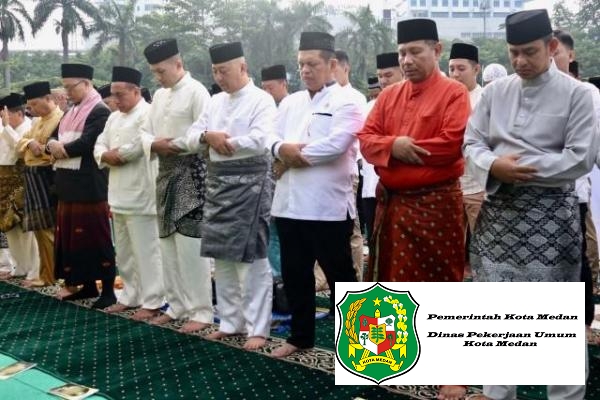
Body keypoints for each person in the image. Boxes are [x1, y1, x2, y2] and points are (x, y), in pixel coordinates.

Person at [463, 9, 598, 400]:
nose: (520, 61)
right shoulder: (494, 92)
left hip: (551, 221)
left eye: (530, 52)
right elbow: (472, 143)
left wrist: (519, 168)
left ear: (552, 47)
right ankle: (497, 392)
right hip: (499, 218)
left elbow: (580, 157)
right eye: (513, 53)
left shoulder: (578, 94)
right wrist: (493, 165)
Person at [173, 42, 275, 350]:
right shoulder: (214, 101)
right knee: (223, 259)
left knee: (252, 259)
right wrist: (207, 137)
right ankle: (231, 322)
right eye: (215, 71)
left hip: (251, 186)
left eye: (224, 70)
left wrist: (225, 142)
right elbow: (190, 137)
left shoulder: (262, 100)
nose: (219, 76)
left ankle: (259, 328)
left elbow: (261, 138)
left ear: (242, 68)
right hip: (219, 184)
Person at [269, 32, 363, 358]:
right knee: (295, 275)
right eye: (301, 64)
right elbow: (270, 137)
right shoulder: (291, 101)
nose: (305, 70)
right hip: (289, 205)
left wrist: (288, 157)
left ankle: (360, 344)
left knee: (341, 279)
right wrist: (281, 149)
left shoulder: (349, 99)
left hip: (327, 207)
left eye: (313, 64)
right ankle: (300, 336)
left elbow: (337, 145)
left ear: (332, 64)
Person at [358, 19, 471, 283]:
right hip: (393, 208)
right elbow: (365, 140)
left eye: (415, 51)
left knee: (436, 281)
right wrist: (393, 146)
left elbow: (450, 145)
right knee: (390, 285)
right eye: (402, 53)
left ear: (437, 50)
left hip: (436, 208)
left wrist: (388, 152)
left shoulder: (454, 93)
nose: (406, 60)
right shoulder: (388, 96)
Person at [140, 38, 213, 332]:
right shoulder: (158, 96)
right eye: (154, 72)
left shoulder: (197, 92)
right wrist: (154, 144)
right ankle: (177, 304)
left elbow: (203, 132)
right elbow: (145, 132)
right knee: (167, 243)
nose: (158, 77)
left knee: (189, 246)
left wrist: (174, 144)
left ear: (178, 64)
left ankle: (202, 311)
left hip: (190, 173)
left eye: (161, 71)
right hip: (164, 173)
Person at [93, 66, 164, 320]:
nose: (115, 100)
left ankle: (153, 300)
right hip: (118, 194)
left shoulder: (148, 113)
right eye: (112, 95)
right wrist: (104, 154)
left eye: (120, 95)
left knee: (147, 250)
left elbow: (140, 144)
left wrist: (118, 154)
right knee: (123, 251)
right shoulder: (113, 117)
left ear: (136, 91)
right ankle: (130, 296)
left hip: (142, 193)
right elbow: (99, 142)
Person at [46, 63, 116, 309]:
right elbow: (51, 138)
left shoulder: (99, 110)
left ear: (86, 84)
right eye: (64, 87)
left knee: (97, 237)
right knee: (74, 240)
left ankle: (107, 290)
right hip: (67, 184)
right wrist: (54, 146)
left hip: (89, 186)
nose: (67, 93)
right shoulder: (70, 112)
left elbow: (89, 142)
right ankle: (85, 285)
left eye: (70, 87)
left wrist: (61, 149)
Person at [17, 82, 63, 287]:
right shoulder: (37, 122)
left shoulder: (60, 119)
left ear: (49, 99)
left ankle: (52, 275)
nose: (32, 110)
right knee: (39, 229)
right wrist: (30, 143)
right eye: (30, 106)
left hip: (47, 178)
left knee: (48, 228)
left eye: (35, 104)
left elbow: (55, 150)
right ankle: (45, 274)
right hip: (33, 176)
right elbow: (21, 142)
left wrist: (40, 147)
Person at [448, 42, 485, 280]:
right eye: (451, 69)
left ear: (476, 69)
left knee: (482, 245)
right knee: (450, 247)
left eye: (461, 68)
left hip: (478, 185)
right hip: (451, 184)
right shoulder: (446, 97)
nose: (455, 74)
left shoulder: (486, 98)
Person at [0, 93, 40, 285]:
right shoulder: (4, 128)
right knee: (10, 227)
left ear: (17, 113)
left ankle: (34, 270)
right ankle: (19, 266)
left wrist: (7, 127)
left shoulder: (29, 127)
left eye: (5, 115)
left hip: (23, 179)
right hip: (4, 181)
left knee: (26, 227)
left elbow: (20, 149)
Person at [261, 64, 289, 279]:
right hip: (269, 180)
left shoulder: (293, 106)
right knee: (272, 231)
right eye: (264, 88)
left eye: (270, 88)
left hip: (291, 177)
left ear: (283, 84)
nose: (267, 93)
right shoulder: (265, 109)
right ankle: (277, 278)